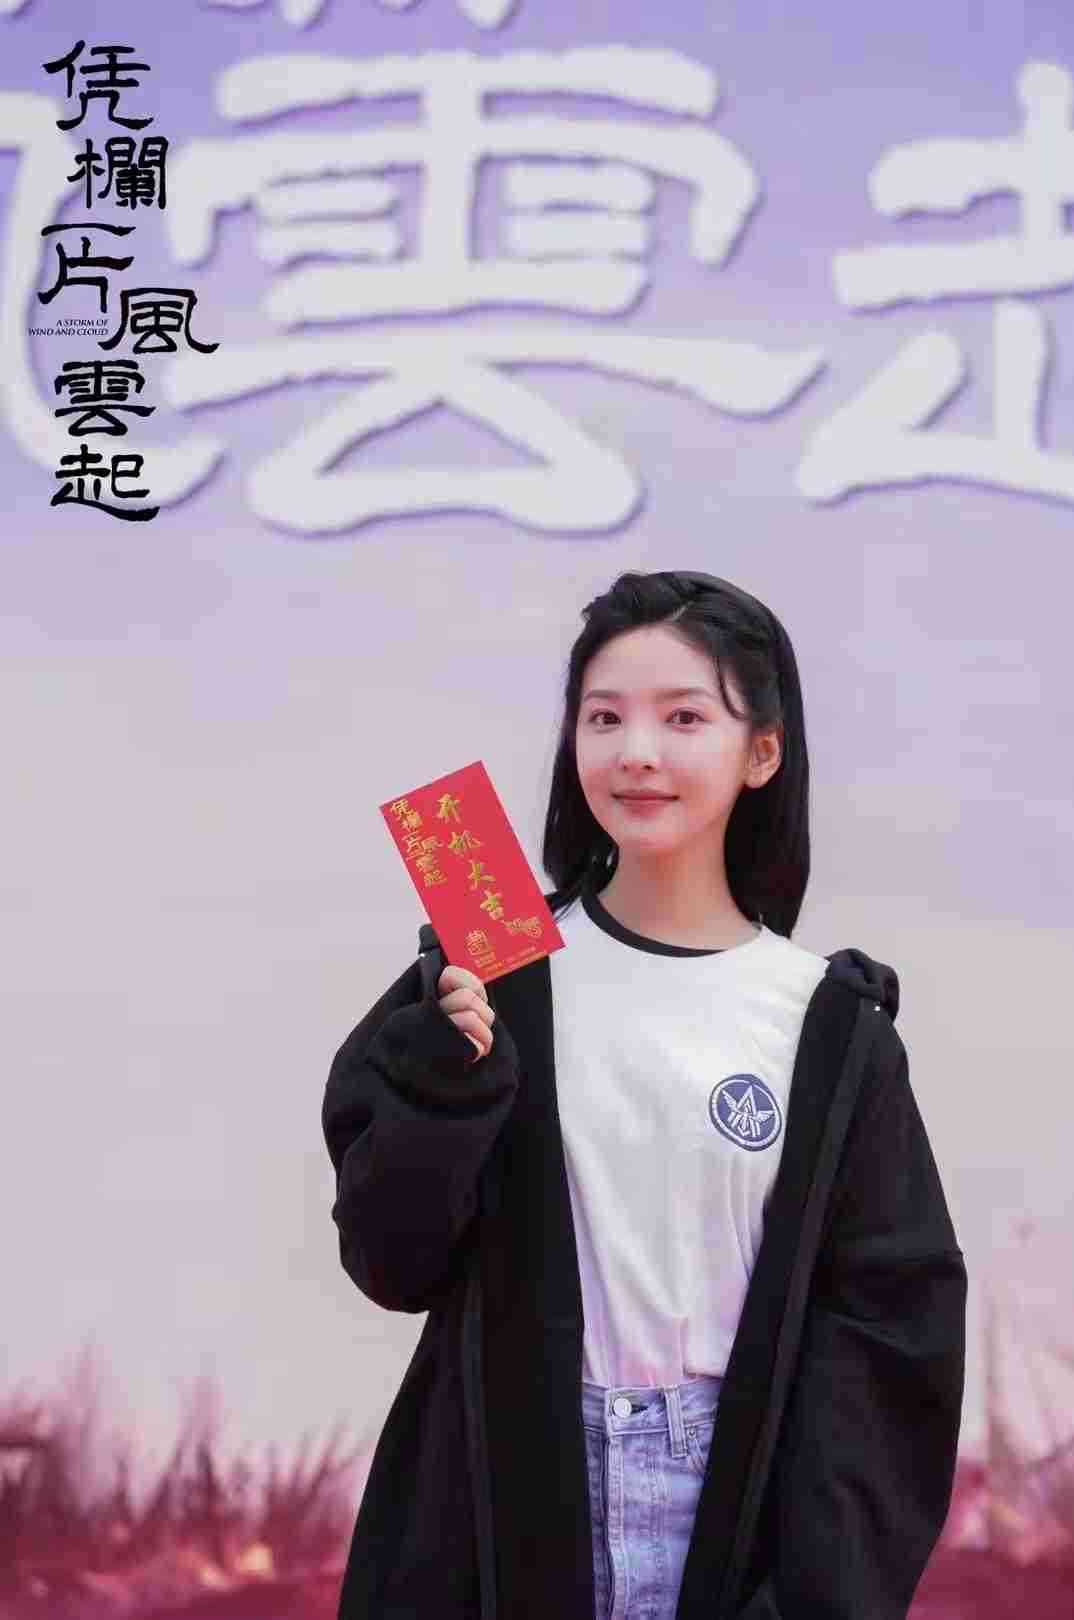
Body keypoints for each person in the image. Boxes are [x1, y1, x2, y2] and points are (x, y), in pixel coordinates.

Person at [321, 569, 967, 1620]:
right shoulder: (491, 971)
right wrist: (445, 1083)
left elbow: (891, 1330)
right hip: (510, 1508)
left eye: (685, 718)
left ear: (763, 752)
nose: (637, 752)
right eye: (604, 717)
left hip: (733, 1505)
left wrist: (814, 1592)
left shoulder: (826, 1024)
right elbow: (390, 1262)